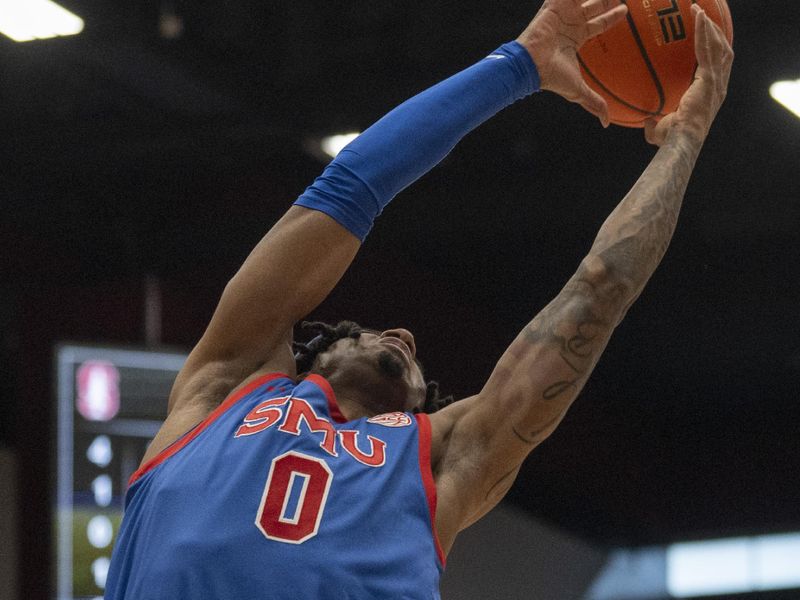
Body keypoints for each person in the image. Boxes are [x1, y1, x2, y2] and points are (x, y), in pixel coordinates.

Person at [105, 1, 733, 597]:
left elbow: (599, 293)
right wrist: (520, 63)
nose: (405, 335)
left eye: (419, 371)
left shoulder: (441, 461)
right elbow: (349, 187)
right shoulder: (227, 385)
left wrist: (686, 141)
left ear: (414, 408)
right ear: (312, 355)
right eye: (374, 331)